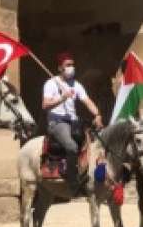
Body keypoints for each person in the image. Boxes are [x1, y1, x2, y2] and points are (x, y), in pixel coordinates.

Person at [42, 53, 103, 192]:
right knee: (72, 147)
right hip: (57, 122)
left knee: (97, 142)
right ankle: (72, 181)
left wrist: (97, 114)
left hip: (74, 121)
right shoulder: (51, 83)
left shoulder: (76, 85)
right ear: (60, 68)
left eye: (72, 64)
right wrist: (62, 98)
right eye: (68, 65)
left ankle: (94, 176)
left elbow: (87, 102)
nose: (71, 67)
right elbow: (45, 105)